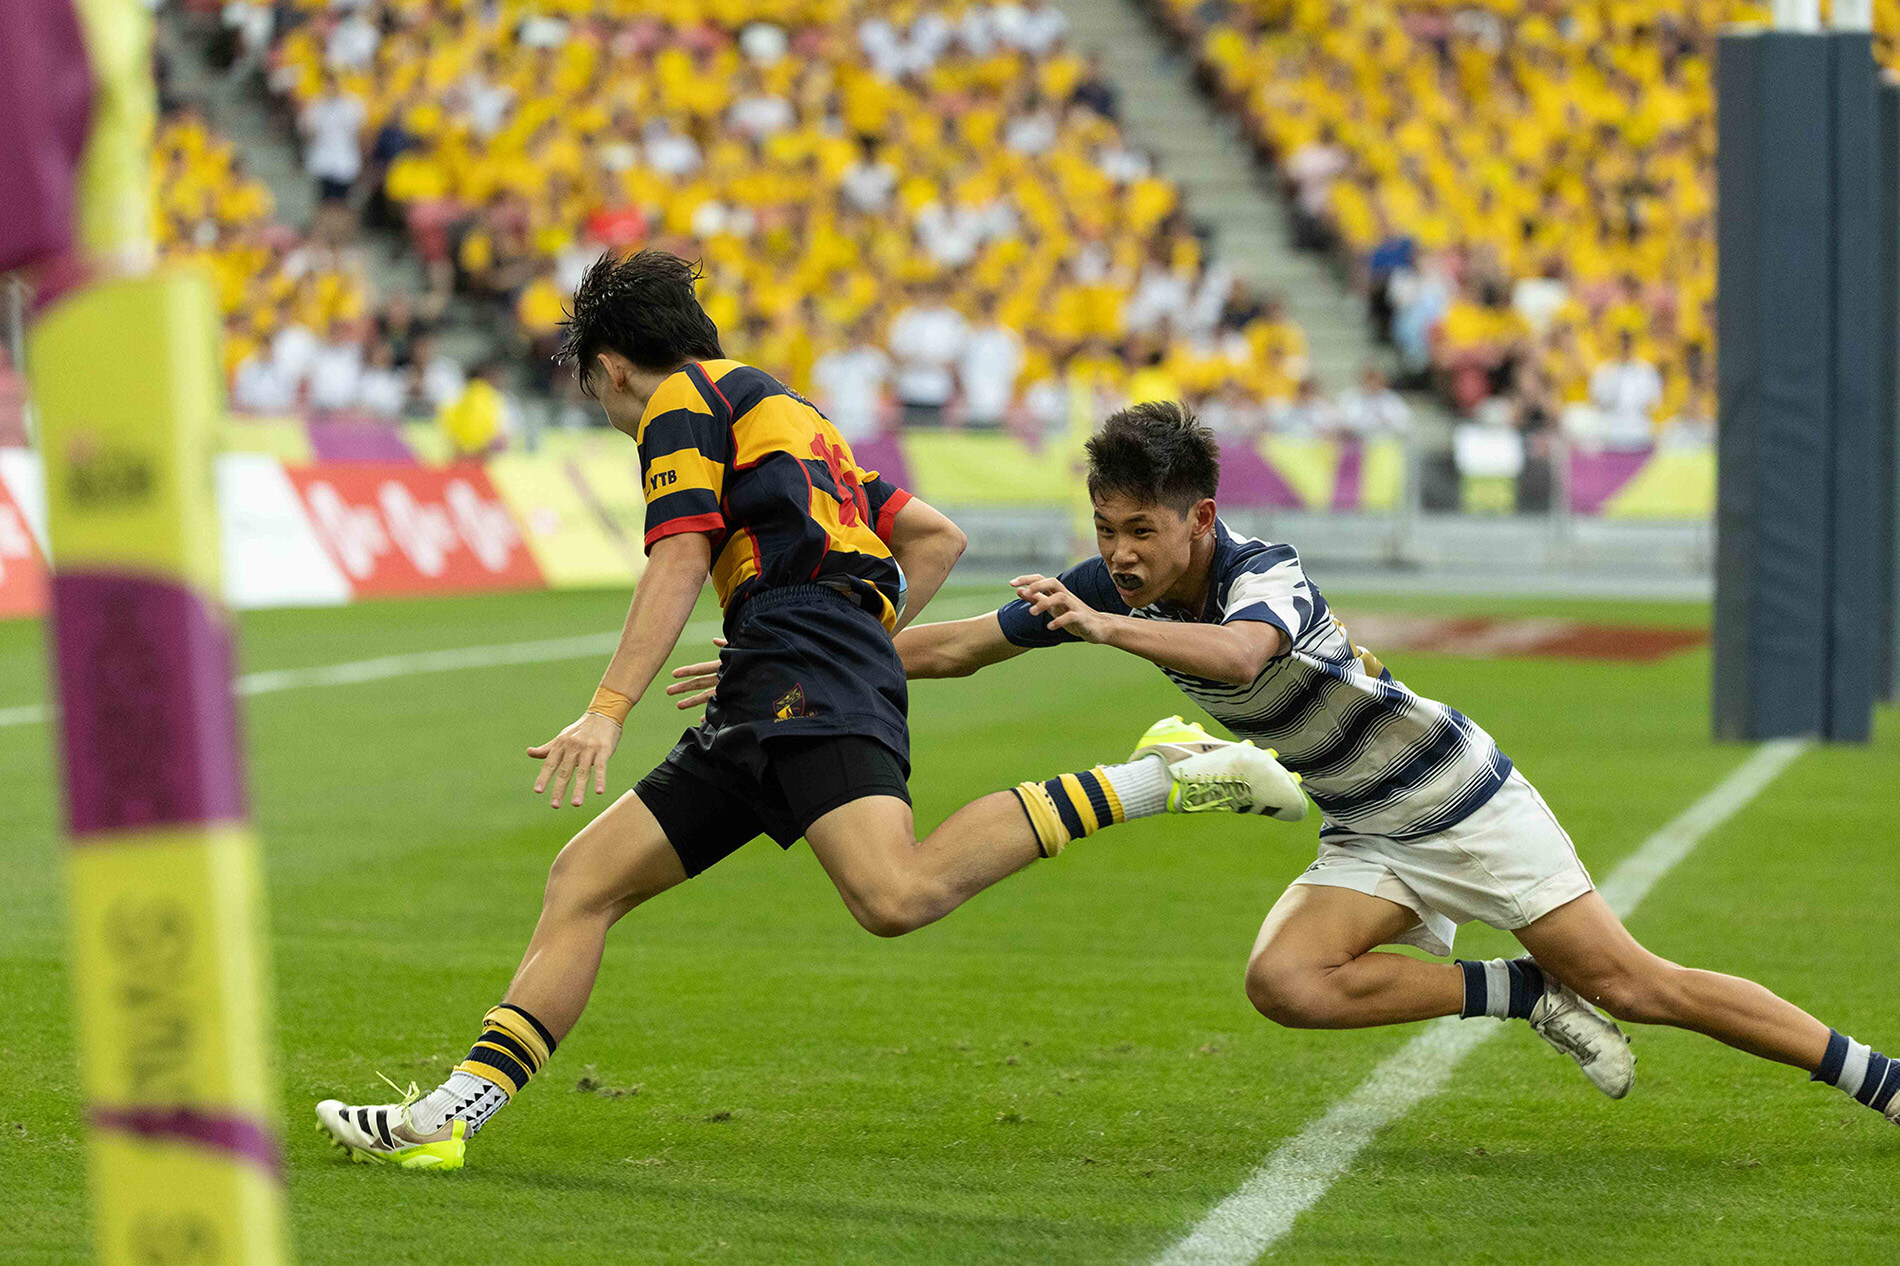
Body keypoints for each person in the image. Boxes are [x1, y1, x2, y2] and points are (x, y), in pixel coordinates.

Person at [313, 254, 1301, 1170]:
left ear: (612, 369)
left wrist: (612, 706)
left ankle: (1157, 779)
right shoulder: (786, 411)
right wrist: (849, 639)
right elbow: (933, 539)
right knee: (584, 880)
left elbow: (680, 552)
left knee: (894, 895)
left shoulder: (680, 402)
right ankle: (447, 1119)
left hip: (794, 652)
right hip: (783, 661)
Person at [872, 400, 1900, 1129]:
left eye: (1141, 529)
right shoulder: (1115, 587)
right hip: (1364, 822)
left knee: (1633, 985)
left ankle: (1879, 1079)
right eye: (1104, 529)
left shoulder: (1260, 571)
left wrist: (1099, 626)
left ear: (1200, 516)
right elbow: (960, 646)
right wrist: (815, 657)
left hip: (1459, 803)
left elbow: (1239, 654)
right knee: (1285, 982)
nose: (1121, 551)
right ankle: (1517, 994)